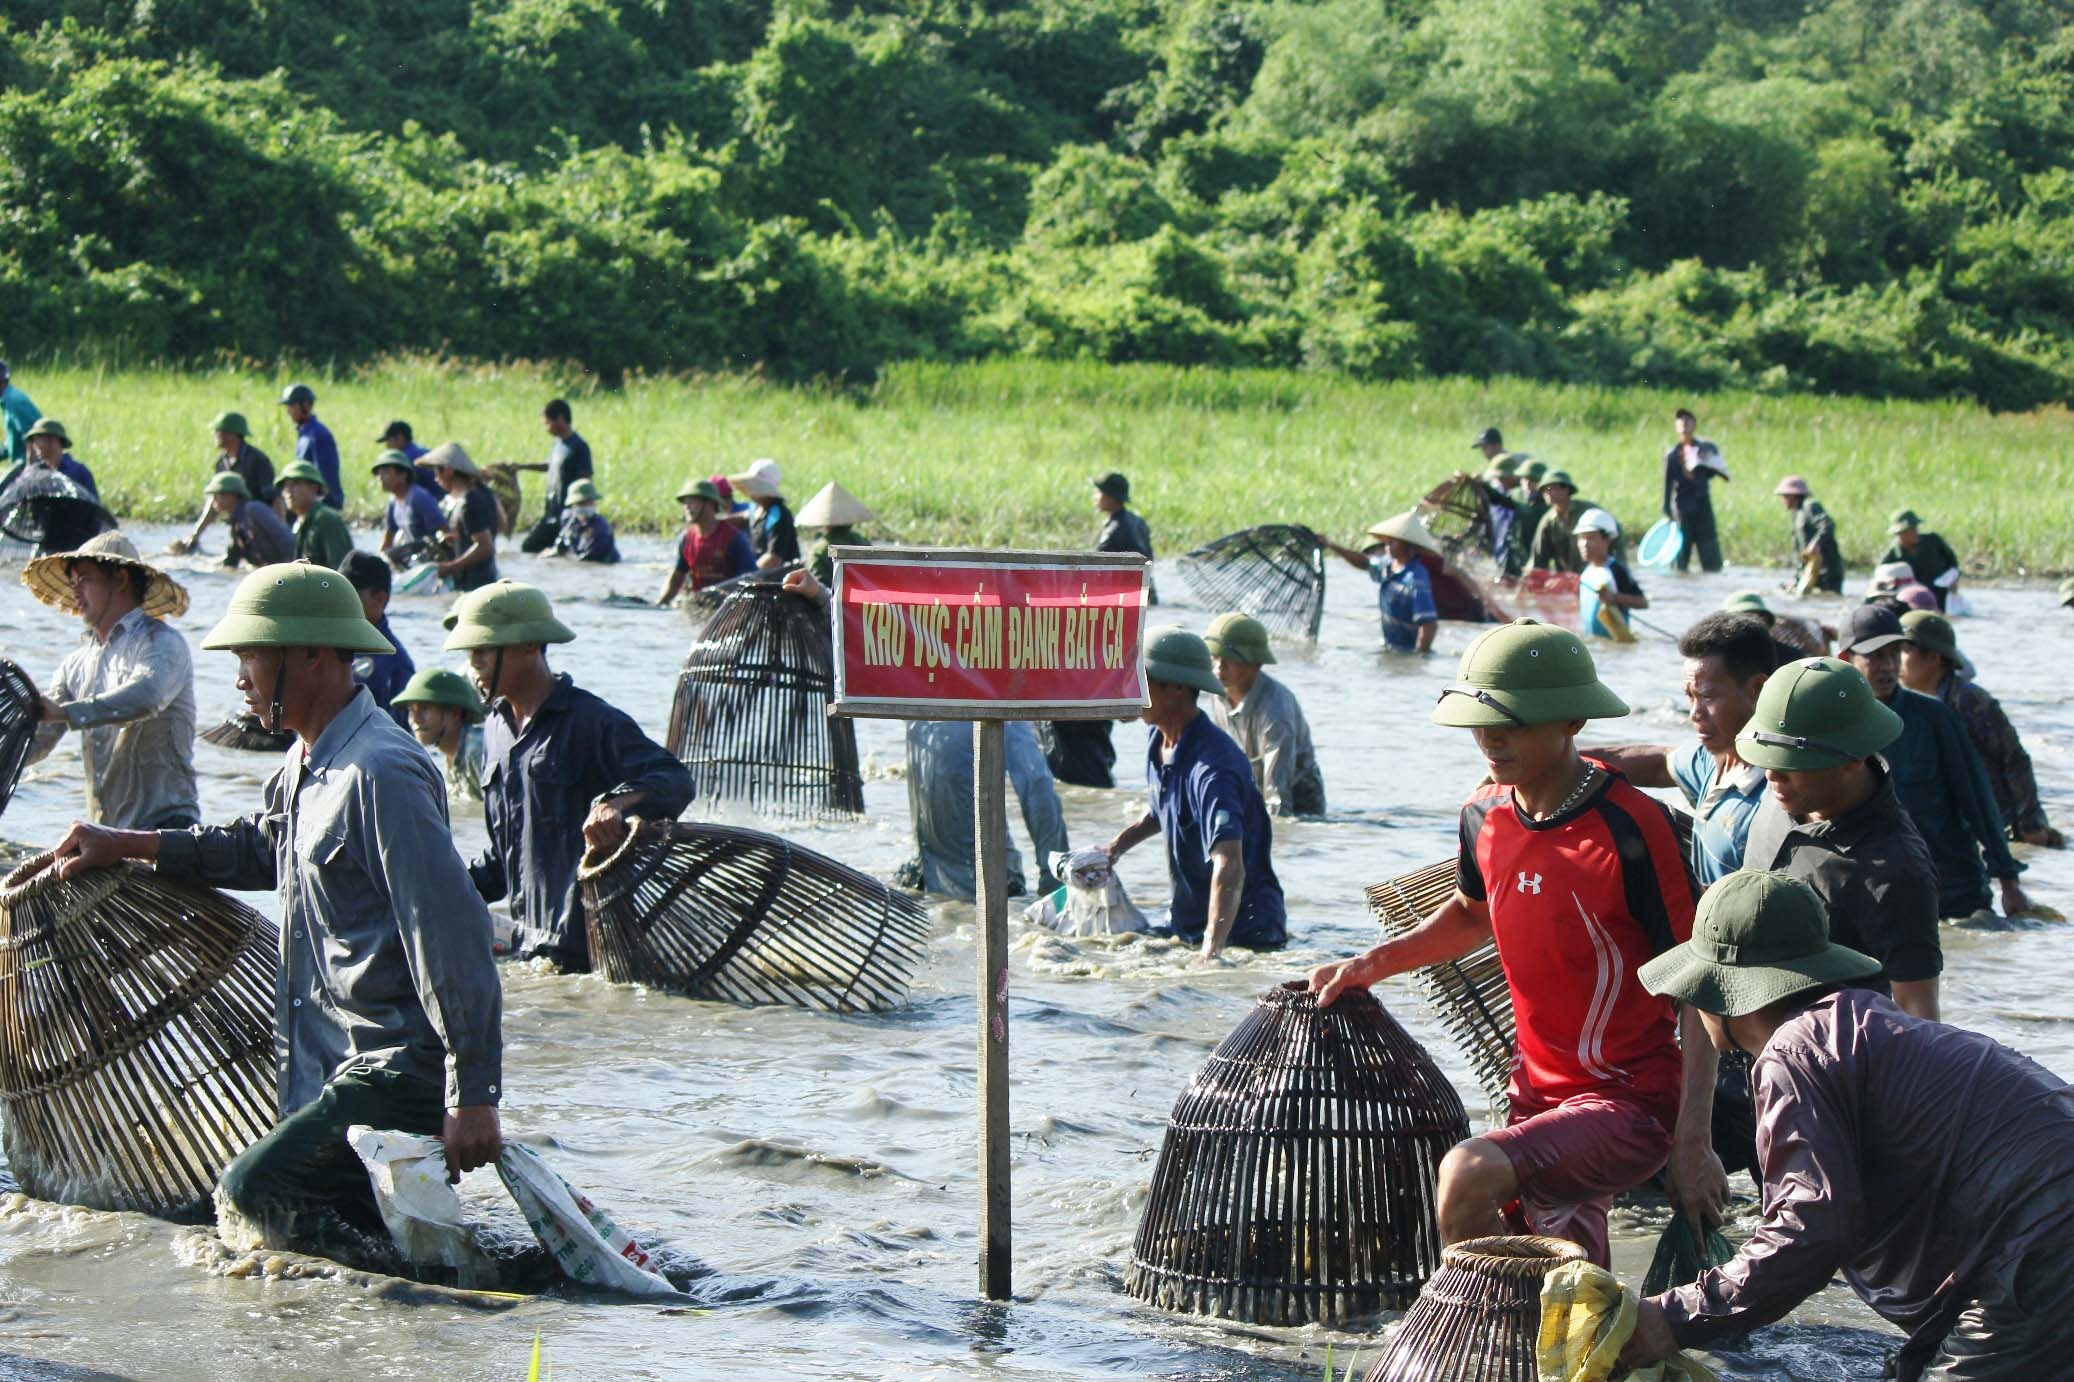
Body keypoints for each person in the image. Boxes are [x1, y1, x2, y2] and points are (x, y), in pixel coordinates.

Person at [47, 563, 504, 1254]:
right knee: (335, 1230)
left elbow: (452, 932)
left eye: (250, 657)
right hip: (330, 1067)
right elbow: (260, 850)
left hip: (396, 1069)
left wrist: (473, 1093)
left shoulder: (382, 771)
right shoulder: (303, 765)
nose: (239, 679)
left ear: (311, 655)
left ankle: (450, 1306)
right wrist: (129, 844)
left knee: (252, 1192)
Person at [1308, 618, 1723, 1267]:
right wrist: (1369, 965)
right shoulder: (1485, 816)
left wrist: (1693, 1141)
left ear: (1571, 724)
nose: (1492, 739)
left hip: (1627, 1102)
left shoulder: (1634, 828)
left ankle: (1482, 1339)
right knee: (1562, 1276)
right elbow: (1472, 916)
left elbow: (1700, 988)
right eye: (1481, 721)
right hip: (1531, 1094)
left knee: (1467, 1174)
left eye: (1516, 722)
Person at [1625, 870, 2074, 1381]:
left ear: (1726, 991)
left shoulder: (1792, 1054)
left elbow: (1810, 1231)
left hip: (2043, 1244)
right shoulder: (1859, 1022)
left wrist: (1670, 1318)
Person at [449, 582, 695, 970]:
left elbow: (675, 780)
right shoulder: (495, 730)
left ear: (530, 646)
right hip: (530, 948)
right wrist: (437, 888)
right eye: (470, 653)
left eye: (482, 651)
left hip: (593, 958)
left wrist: (616, 805)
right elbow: (505, 857)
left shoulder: (590, 721)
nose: (473, 665)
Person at [1733, 656, 1943, 1020]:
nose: (1770, 774)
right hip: (1745, 1039)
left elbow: (1918, 1013)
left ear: (1852, 759)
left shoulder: (1897, 870)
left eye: (1790, 761)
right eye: (1768, 755)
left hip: (1827, 1062)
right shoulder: (1784, 793)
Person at [1836, 604, 2029, 922]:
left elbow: (1978, 800)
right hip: (1872, 893)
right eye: (1875, 656)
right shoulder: (1832, 722)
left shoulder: (1934, 717)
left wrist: (2009, 881)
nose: (1887, 666)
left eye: (1894, 653)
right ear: (1846, 659)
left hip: (1951, 892)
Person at [1103, 627, 1286, 961]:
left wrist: (1211, 952)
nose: (1132, 689)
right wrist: (1112, 850)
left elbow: (1230, 864)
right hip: (1189, 924)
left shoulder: (1214, 767)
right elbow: (1163, 810)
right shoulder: (1159, 740)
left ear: (1177, 687)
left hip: (1246, 937)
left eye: (1142, 680)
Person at [20, 532, 200, 830]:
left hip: (168, 831)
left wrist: (67, 712)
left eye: (86, 580)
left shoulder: (161, 643)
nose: (76, 592)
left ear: (120, 579)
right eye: (74, 583)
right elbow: (40, 737)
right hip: (106, 835)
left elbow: (148, 696)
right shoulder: (76, 664)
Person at [1589, 612, 1774, 885]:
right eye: (1690, 697)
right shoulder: (1713, 761)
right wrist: (1556, 760)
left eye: (1708, 696)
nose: (1694, 714)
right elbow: (1658, 762)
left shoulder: (1777, 791)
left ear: (1757, 689)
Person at [1899, 611, 2054, 846]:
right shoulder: (1903, 703)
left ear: (1933, 657)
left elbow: (2014, 759)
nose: (1894, 660)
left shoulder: (1970, 702)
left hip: (1993, 824)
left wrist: (2029, 825)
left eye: (1904, 650)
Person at [902, 719, 1068, 901]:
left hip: (984, 882)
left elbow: (1038, 788)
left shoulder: (997, 710)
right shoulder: (920, 703)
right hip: (925, 873)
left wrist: (1053, 875)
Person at [1203, 612, 1325, 817]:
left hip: (1300, 802)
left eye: (1229, 659)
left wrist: (1274, 833)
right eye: (1215, 656)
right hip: (1252, 787)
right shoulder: (1217, 693)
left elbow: (1278, 796)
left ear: (1255, 664)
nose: (1219, 667)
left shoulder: (1275, 711)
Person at [1323, 511, 1442, 653]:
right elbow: (1365, 562)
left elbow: (1429, 624)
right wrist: (1332, 546)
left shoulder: (1416, 579)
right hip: (1391, 648)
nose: (1387, 545)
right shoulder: (1388, 566)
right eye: (1387, 541)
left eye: (1393, 541)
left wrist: (1418, 657)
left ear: (1409, 545)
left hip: (1407, 652)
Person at [171, 412, 281, 556]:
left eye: (218, 432)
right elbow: (215, 501)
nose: (214, 435)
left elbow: (275, 499)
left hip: (261, 523)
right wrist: (195, 536)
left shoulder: (257, 460)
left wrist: (279, 535)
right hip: (238, 524)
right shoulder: (221, 462)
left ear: (231, 435)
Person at [391, 667, 487, 807]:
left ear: (455, 713)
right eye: (412, 710)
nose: (415, 719)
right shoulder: (452, 752)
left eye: (424, 709)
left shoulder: (477, 751)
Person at [341, 551, 413, 729]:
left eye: (350, 595)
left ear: (380, 599)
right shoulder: (324, 645)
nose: (339, 601)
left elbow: (398, 733)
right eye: (339, 592)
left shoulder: (396, 663)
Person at [657, 479, 756, 605]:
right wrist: (660, 604)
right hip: (697, 604)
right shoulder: (686, 539)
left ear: (710, 504)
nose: (687, 507)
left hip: (727, 606)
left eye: (692, 502)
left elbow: (752, 578)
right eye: (685, 503)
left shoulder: (734, 538)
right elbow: (677, 578)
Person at [1661, 408, 1728, 573]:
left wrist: (1705, 463)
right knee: (1681, 553)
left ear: (1694, 424)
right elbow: (1667, 483)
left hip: (1702, 504)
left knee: (1710, 549)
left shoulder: (1705, 449)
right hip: (1682, 507)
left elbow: (1713, 473)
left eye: (1688, 420)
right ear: (1676, 426)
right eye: (1680, 421)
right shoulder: (1672, 454)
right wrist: (1667, 510)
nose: (1684, 424)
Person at [520, 399, 592, 554]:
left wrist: (579, 512)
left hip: (568, 516)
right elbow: (550, 465)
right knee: (528, 548)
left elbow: (585, 480)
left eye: (547, 423)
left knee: (566, 553)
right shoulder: (558, 444)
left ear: (560, 418)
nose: (546, 428)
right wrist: (520, 466)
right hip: (551, 516)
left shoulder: (579, 446)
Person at [426, 443, 499, 592]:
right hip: (482, 579)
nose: (435, 479)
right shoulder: (484, 494)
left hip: (476, 583)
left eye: (436, 473)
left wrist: (451, 567)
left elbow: (485, 546)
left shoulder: (469, 502)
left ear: (447, 471)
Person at [1573, 509, 1646, 640]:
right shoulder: (1586, 572)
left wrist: (1615, 598)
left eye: (1590, 538)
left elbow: (1642, 602)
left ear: (1607, 539)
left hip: (1615, 643)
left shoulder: (1615, 571)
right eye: (1581, 538)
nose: (1584, 544)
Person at [200, 473, 296, 569]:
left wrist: (292, 567)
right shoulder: (236, 521)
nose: (214, 501)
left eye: (218, 495)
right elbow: (233, 557)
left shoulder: (253, 510)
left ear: (232, 495)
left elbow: (286, 539)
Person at [278, 459, 355, 570]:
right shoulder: (301, 521)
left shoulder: (326, 519)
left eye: (295, 484)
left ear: (313, 488)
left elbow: (341, 567)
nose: (288, 491)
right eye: (285, 486)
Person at [374, 450, 447, 566]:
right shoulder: (393, 502)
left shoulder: (419, 498)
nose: (380, 477)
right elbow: (387, 539)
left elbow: (444, 530)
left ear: (403, 475)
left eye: (386, 472)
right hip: (413, 560)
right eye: (379, 473)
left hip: (433, 561)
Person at [1528, 471, 1607, 575]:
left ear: (1565, 489)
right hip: (1567, 580)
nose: (1546, 493)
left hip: (1595, 573)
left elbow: (1611, 538)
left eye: (1549, 488)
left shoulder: (1589, 512)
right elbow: (1538, 556)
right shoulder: (1547, 522)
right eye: (1543, 490)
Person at [797, 481, 875, 587]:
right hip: (863, 598)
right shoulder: (863, 542)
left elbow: (818, 585)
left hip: (833, 600)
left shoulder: (820, 550)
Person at [1773, 475, 1842, 594]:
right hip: (1810, 571)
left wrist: (1816, 543)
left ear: (1793, 496)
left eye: (1784, 496)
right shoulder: (1796, 514)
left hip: (1827, 572)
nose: (1782, 500)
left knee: (1826, 597)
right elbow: (1800, 553)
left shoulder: (1809, 506)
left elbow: (1827, 524)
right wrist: (1797, 580)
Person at [279, 382, 343, 510]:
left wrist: (322, 504)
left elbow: (326, 475)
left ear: (306, 405)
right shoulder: (304, 434)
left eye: (291, 405)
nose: (288, 411)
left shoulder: (318, 435)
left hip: (321, 505)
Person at [1881, 509, 1961, 611]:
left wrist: (1954, 580)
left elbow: (1952, 562)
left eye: (1916, 528)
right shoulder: (1893, 555)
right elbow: (1882, 577)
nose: (1916, 532)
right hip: (1915, 600)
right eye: (1912, 529)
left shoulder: (1933, 541)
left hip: (1941, 594)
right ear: (1900, 534)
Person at [729, 459, 800, 570]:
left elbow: (773, 558)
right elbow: (742, 518)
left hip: (778, 576)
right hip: (758, 571)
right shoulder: (755, 508)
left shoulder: (779, 515)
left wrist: (750, 572)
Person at [1720, 590, 1826, 663]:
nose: (1749, 624)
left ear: (1767, 621)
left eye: (1757, 617)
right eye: (1743, 618)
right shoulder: (1715, 657)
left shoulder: (1791, 657)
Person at [1093, 472, 1156, 592]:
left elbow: (1095, 568)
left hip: (1125, 595)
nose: (1095, 496)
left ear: (1111, 498)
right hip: (1147, 591)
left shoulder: (1113, 529)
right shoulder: (1139, 522)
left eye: (1099, 492)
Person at [21, 418, 98, 497]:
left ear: (53, 441)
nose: (34, 446)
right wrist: (29, 467)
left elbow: (94, 504)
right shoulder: (35, 471)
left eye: (37, 440)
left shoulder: (79, 471)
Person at [551, 479, 620, 563]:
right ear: (573, 505)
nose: (587, 506)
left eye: (590, 502)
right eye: (582, 503)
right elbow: (562, 541)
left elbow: (590, 558)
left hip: (603, 561)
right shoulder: (568, 519)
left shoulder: (602, 528)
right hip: (579, 556)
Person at [376, 420, 441, 499]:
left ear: (399, 438)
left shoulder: (405, 459)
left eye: (388, 441)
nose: (387, 446)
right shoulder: (421, 451)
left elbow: (407, 490)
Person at [0, 360, 38, 463]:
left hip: (30, 466)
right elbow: (15, 442)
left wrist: (30, 473)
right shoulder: (7, 400)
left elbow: (33, 437)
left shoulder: (14, 401)